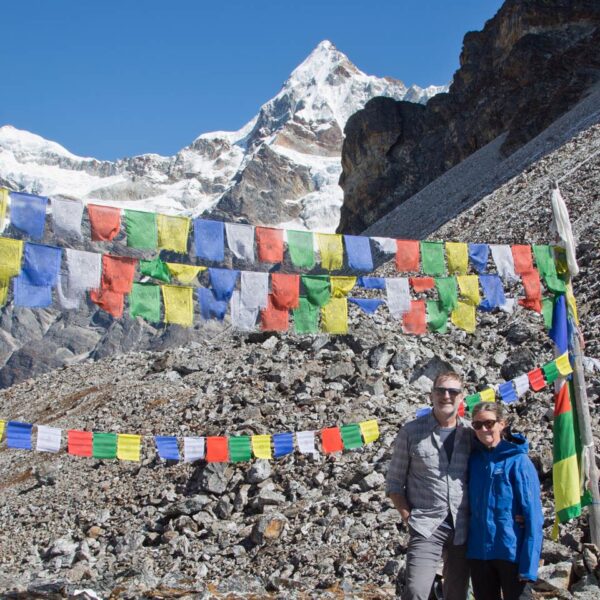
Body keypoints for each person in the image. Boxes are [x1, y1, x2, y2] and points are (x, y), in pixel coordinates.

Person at [386, 371, 472, 600]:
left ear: (462, 397)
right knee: (416, 590)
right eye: (440, 390)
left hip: (464, 526)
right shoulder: (411, 432)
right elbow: (394, 483)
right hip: (426, 525)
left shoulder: (472, 434)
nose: (446, 396)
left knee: (457, 593)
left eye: (453, 391)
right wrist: (408, 517)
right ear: (431, 395)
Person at [467, 402, 543, 600]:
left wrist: (529, 566)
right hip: (479, 553)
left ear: (502, 424)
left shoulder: (518, 461)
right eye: (477, 425)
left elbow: (533, 516)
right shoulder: (472, 460)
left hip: (511, 552)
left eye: (489, 423)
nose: (484, 429)